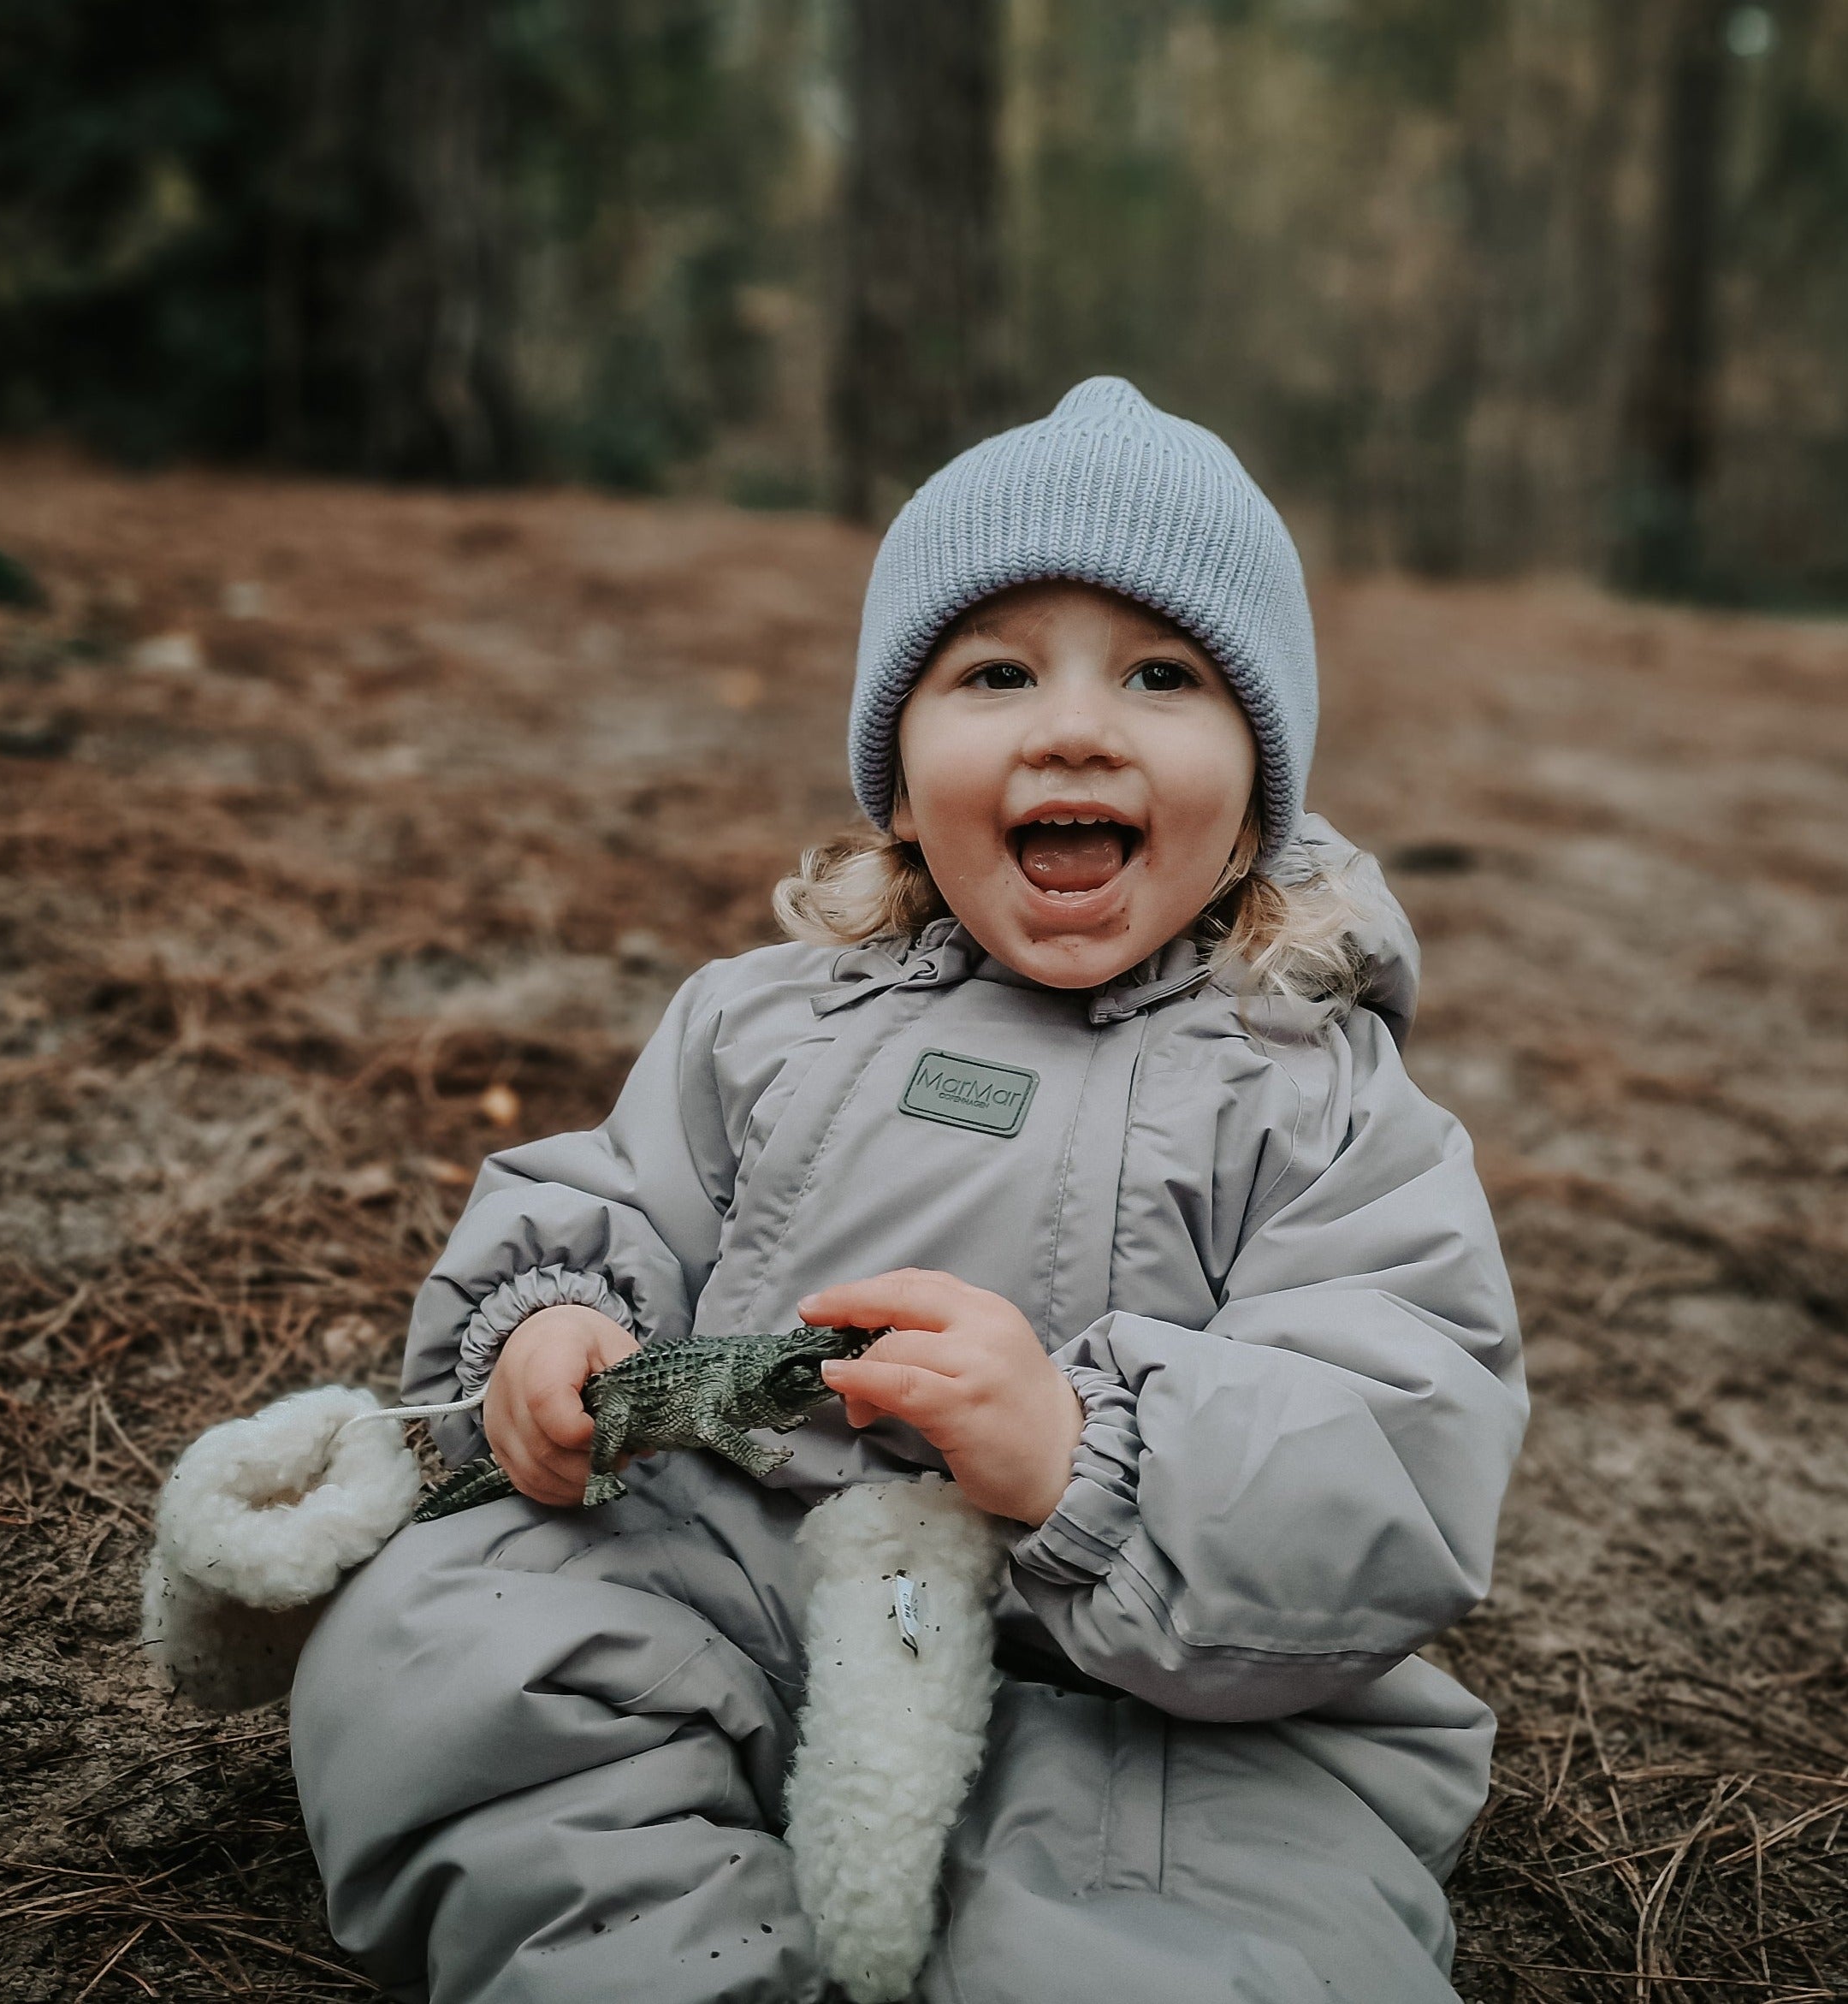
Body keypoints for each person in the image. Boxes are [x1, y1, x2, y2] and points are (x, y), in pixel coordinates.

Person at [289, 376, 1526, 2004]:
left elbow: (1399, 1432)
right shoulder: (763, 1015)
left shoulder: (1311, 1088)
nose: (1074, 724)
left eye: (1162, 675)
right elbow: (614, 1200)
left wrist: (1088, 1459)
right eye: (994, 671)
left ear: (1257, 785)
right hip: (729, 1579)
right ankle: (669, 1963)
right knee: (433, 1649)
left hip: (1115, 1672)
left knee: (1219, 1899)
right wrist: (554, 1327)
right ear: (894, 772)